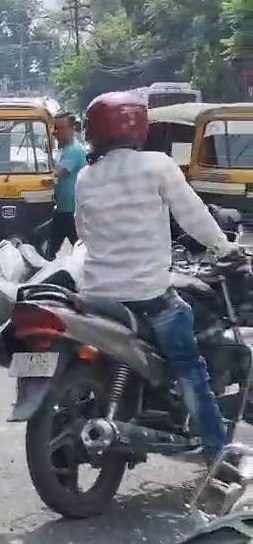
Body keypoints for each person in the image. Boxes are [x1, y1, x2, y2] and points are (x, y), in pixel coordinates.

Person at [76, 91, 240, 466]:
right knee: (190, 367)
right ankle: (219, 455)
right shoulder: (157, 165)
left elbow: (84, 233)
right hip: (150, 293)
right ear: (138, 127)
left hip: (98, 296)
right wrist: (223, 248)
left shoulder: (86, 176)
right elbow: (192, 215)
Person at [47, 112, 87, 259]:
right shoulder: (65, 149)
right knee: (53, 245)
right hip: (64, 207)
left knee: (76, 244)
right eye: (54, 128)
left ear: (72, 128)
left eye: (60, 128)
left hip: (71, 208)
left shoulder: (74, 150)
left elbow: (56, 174)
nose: (55, 132)